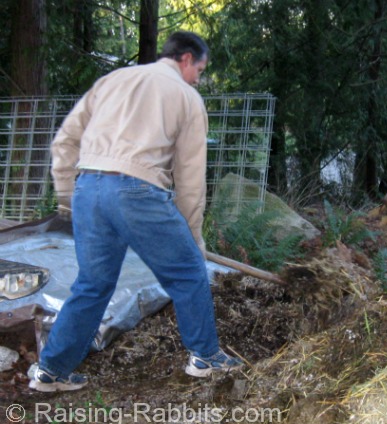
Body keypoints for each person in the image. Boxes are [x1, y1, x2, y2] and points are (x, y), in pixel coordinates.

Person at [28, 31, 243, 392]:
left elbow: (64, 141)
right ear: (186, 59)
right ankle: (205, 356)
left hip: (88, 188)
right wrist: (193, 240)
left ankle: (51, 371)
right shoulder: (186, 98)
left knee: (92, 284)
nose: (199, 79)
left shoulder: (112, 81)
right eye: (200, 70)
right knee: (189, 273)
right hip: (135, 191)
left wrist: (69, 197)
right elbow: (190, 180)